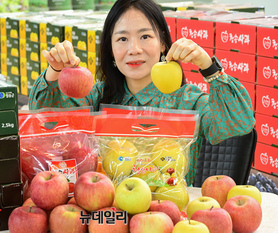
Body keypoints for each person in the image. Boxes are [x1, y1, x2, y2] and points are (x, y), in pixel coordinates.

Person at [28, 0, 255, 186]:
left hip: (169, 213)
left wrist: (208, 66)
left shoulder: (189, 101)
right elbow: (44, 117)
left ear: (164, 44)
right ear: (111, 50)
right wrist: (55, 70)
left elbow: (239, 123)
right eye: (122, 39)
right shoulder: (97, 97)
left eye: (145, 36)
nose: (134, 49)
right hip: (107, 212)